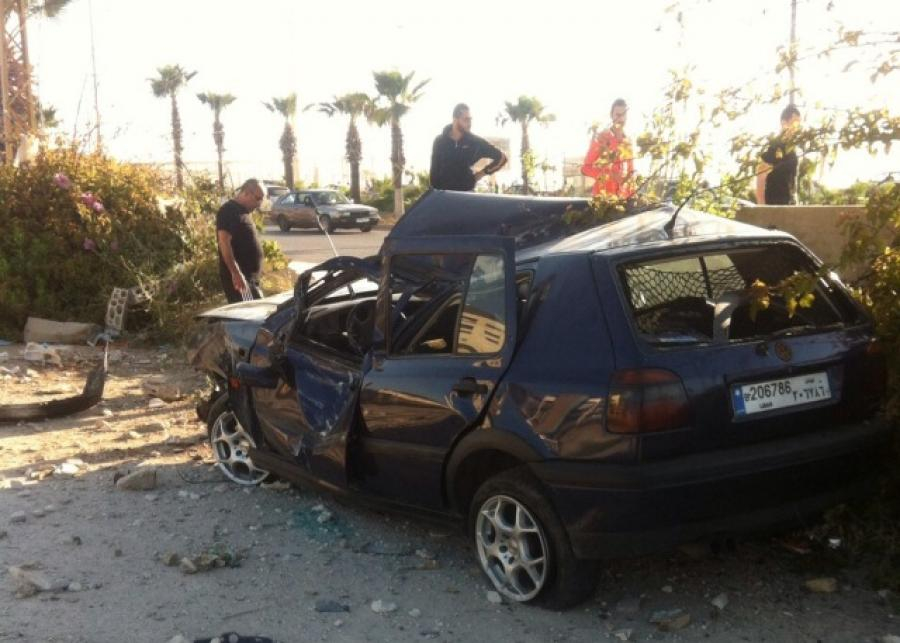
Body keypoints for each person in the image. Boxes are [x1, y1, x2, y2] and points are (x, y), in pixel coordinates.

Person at [430, 103, 507, 191]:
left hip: (466, 194)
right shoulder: (440, 141)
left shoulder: (475, 142)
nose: (469, 123)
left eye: (470, 119)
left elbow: (502, 158)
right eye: (466, 120)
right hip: (443, 195)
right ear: (455, 120)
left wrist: (479, 175)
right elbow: (434, 173)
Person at [217, 178, 265, 303]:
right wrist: (236, 273)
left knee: (259, 311)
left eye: (262, 199)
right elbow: (224, 242)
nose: (259, 204)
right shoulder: (228, 211)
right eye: (258, 198)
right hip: (241, 280)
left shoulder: (243, 212)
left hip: (250, 279)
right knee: (251, 313)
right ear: (246, 193)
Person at [581, 98, 635, 198]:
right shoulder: (601, 138)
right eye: (617, 115)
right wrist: (610, 176)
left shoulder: (628, 142)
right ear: (611, 116)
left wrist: (633, 196)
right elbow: (585, 168)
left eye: (623, 115)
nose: (621, 119)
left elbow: (631, 173)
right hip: (603, 200)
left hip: (623, 201)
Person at [756, 104, 801, 205]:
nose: (796, 128)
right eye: (794, 123)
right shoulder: (774, 146)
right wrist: (761, 207)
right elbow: (761, 176)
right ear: (783, 123)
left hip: (789, 205)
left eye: (798, 125)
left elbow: (793, 181)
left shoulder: (792, 151)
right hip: (773, 205)